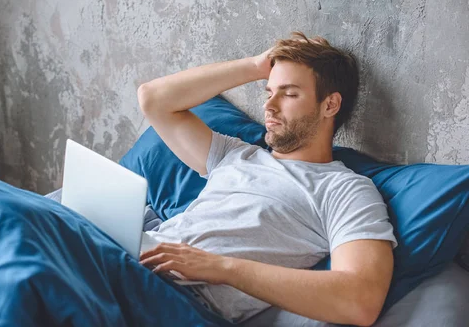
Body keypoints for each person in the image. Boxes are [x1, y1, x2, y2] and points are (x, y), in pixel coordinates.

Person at [137, 32, 398, 326]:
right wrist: (256, 65)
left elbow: (360, 300)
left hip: (172, 299)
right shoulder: (234, 154)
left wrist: (222, 267)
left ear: (330, 105)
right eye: (268, 92)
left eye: (288, 94)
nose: (269, 106)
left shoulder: (343, 190)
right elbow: (153, 99)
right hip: (133, 261)